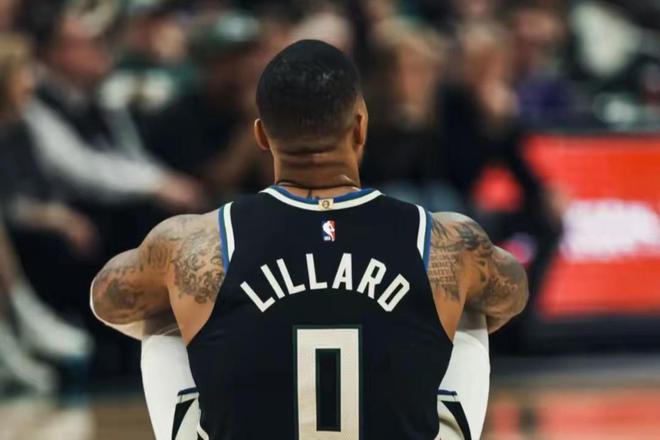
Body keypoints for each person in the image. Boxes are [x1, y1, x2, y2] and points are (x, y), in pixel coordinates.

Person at [91, 40, 528, 439]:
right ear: (360, 128)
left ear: (261, 136)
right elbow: (514, 294)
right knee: (468, 299)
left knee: (164, 304)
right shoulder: (445, 240)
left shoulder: (197, 242)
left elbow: (105, 300)